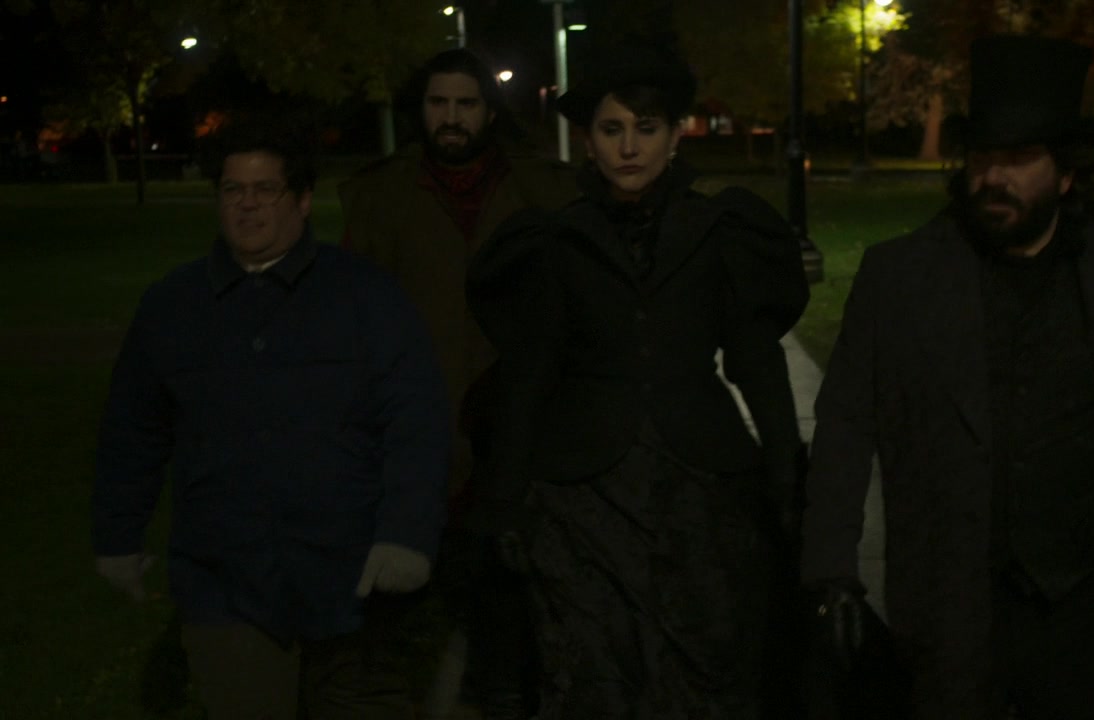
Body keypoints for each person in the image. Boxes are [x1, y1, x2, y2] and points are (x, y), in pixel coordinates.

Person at [801, 35, 1094, 718]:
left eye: (1019, 159)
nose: (993, 177)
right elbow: (846, 427)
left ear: (1066, 174)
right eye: (982, 157)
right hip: (949, 597)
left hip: (1085, 601)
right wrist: (831, 572)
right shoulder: (900, 279)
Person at [466, 46, 810, 719]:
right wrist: (504, 500)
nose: (628, 148)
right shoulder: (555, 242)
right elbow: (529, 375)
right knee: (592, 675)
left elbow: (755, 360)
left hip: (701, 484)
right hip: (582, 492)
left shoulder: (719, 230)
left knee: (705, 667)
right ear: (588, 141)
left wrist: (786, 478)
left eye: (645, 129)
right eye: (611, 129)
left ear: (675, 135)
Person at [92, 113, 451, 720]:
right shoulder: (174, 306)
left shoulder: (365, 297)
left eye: (266, 190)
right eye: (233, 190)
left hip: (353, 581)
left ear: (303, 200)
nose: (248, 205)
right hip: (225, 581)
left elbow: (416, 421)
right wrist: (117, 537)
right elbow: (133, 431)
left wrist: (406, 536)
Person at [339, 48, 576, 719]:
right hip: (415, 440)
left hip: (518, 440)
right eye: (438, 103)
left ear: (488, 112)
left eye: (465, 103)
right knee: (393, 642)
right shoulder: (384, 198)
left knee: (513, 632)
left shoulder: (541, 191)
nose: (451, 117)